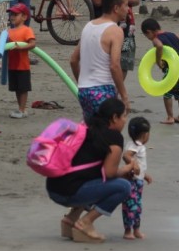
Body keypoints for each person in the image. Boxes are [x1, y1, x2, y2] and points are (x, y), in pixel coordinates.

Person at [46, 98, 135, 243]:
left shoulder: (87, 128)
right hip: (68, 192)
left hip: (53, 188)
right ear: (114, 117)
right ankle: (85, 223)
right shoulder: (114, 137)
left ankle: (71, 219)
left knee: (91, 177)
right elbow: (109, 173)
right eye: (124, 116)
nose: (125, 121)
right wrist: (126, 169)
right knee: (124, 186)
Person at [71, 0, 130, 120]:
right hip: (104, 90)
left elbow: (73, 60)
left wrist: (82, 82)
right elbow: (114, 66)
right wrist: (124, 96)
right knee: (107, 134)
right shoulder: (115, 30)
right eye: (126, 5)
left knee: (91, 132)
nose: (128, 9)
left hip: (84, 91)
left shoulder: (89, 26)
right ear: (116, 8)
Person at [121, 116, 152, 240]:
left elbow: (141, 166)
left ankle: (136, 229)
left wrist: (145, 175)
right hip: (131, 181)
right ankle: (128, 230)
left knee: (137, 206)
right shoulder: (135, 145)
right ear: (145, 135)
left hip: (138, 181)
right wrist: (134, 164)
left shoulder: (138, 145)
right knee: (130, 205)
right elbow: (126, 156)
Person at [6, 3, 36, 119]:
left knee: (23, 88)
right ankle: (21, 108)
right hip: (12, 65)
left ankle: (22, 109)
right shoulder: (9, 31)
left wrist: (20, 47)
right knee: (16, 88)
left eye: (15, 14)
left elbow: (32, 44)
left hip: (22, 66)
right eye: (11, 14)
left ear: (24, 17)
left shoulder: (26, 30)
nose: (12, 16)